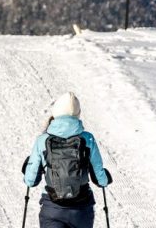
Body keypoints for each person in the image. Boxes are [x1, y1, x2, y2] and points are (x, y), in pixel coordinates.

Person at [23, 92, 112, 228]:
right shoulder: (87, 139)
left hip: (52, 209)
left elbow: (31, 180)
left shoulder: (42, 141)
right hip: (81, 210)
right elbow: (100, 179)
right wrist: (105, 178)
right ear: (77, 113)